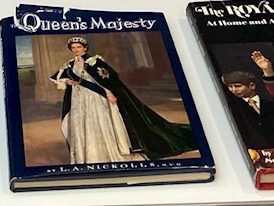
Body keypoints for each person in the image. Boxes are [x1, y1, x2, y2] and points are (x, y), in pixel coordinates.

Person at [52, 35, 195, 165]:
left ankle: (106, 153)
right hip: (79, 99)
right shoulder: (69, 64)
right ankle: (89, 155)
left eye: (78, 47)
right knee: (83, 124)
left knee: (100, 122)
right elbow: (60, 77)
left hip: (96, 98)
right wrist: (68, 81)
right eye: (73, 48)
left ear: (84, 48)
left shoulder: (95, 61)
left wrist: (108, 93)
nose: (76, 50)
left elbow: (110, 79)